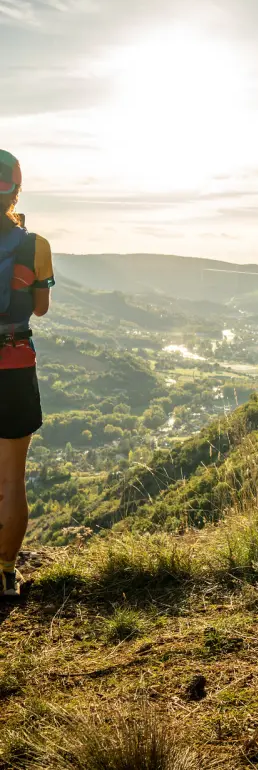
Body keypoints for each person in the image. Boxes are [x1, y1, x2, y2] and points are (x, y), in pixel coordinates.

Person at [0, 150, 54, 598]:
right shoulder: (34, 244)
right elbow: (40, 307)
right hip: (14, 365)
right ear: (16, 190)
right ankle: (4, 573)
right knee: (12, 478)